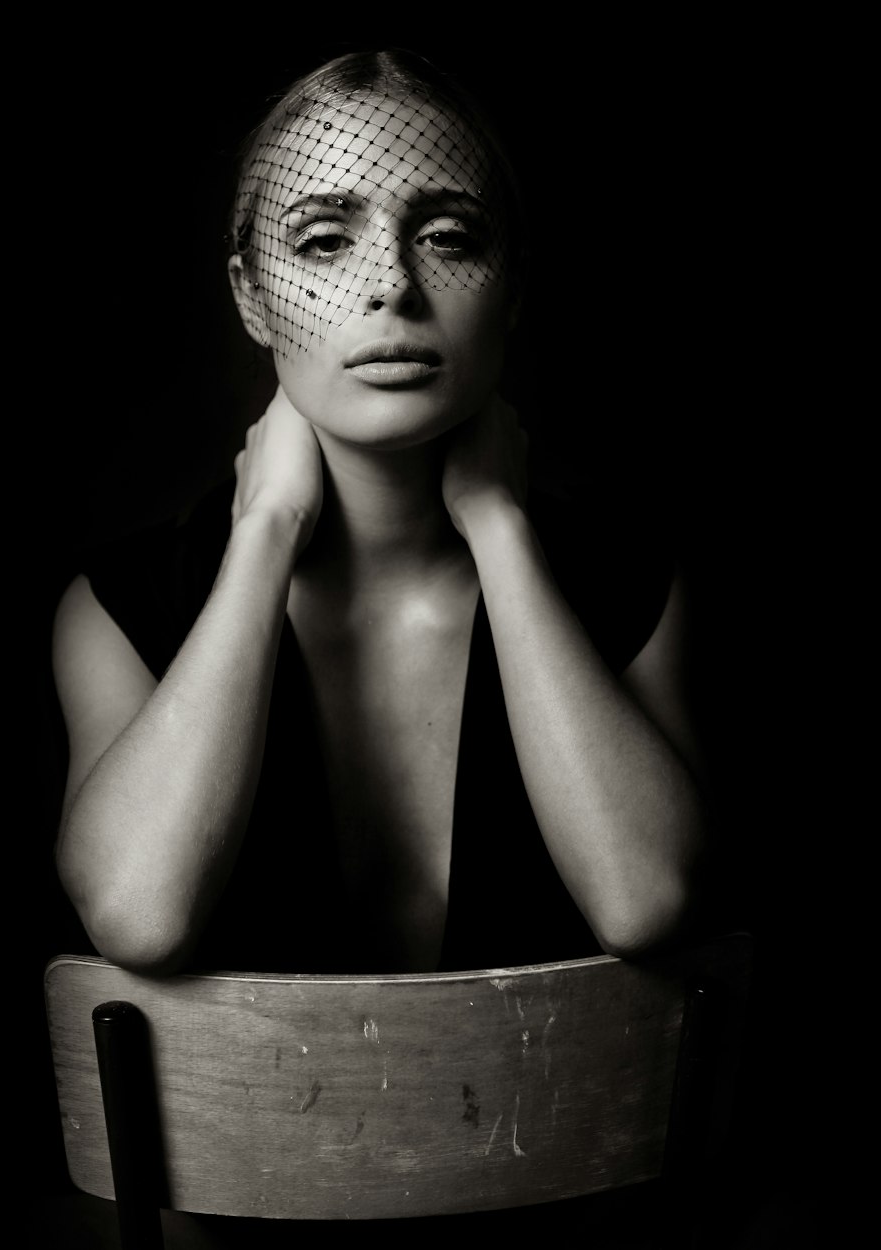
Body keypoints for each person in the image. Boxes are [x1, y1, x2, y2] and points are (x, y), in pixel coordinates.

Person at [51, 47, 710, 985]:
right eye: (324, 241)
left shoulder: (632, 589)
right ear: (252, 296)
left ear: (513, 286)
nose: (390, 284)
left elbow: (646, 903)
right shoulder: (118, 609)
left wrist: (500, 526)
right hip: (255, 1136)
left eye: (447, 237)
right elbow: (140, 917)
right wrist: (266, 529)